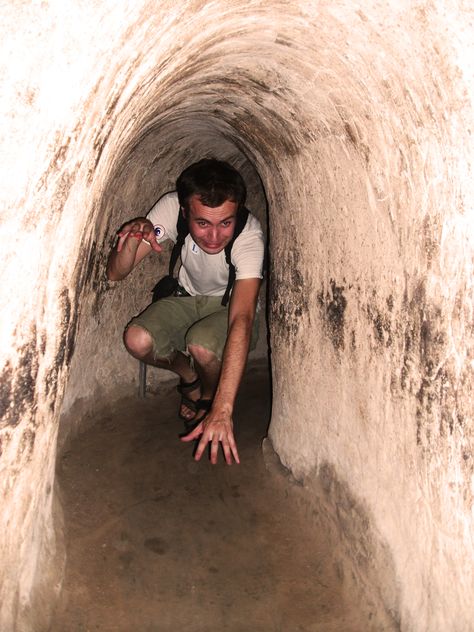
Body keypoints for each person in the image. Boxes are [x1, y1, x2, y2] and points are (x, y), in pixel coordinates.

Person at [106, 158, 265, 465]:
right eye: (203, 223)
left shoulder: (249, 237)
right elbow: (116, 273)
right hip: (186, 298)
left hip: (228, 304)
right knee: (137, 339)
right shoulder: (170, 207)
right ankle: (189, 377)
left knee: (202, 345)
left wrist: (222, 409)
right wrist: (132, 240)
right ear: (183, 211)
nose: (215, 237)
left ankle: (206, 395)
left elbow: (241, 319)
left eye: (225, 223)